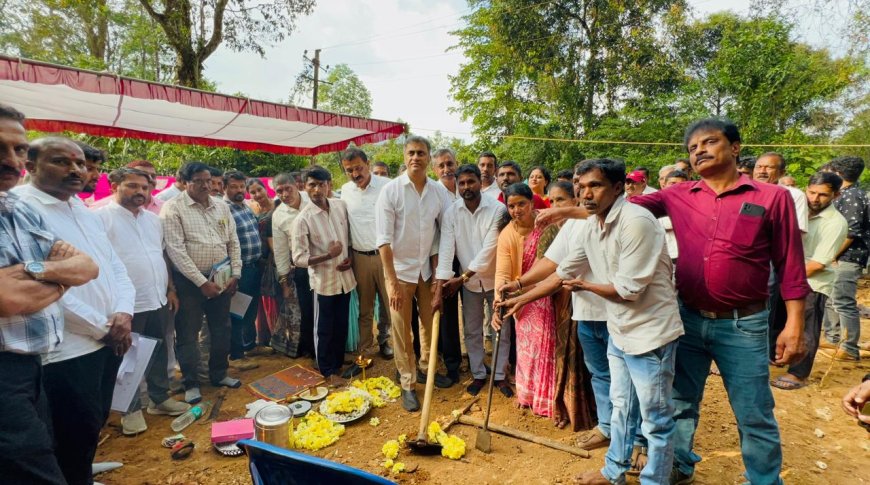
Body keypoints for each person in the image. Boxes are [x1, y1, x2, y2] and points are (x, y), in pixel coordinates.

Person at [630, 118, 810, 485]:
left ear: (736, 148)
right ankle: (679, 465)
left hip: (744, 324)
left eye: (709, 142)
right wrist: (564, 210)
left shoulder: (771, 197)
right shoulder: (676, 196)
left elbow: (790, 264)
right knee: (680, 402)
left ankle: (763, 479)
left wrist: (794, 324)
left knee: (753, 410)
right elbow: (620, 207)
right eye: (693, 148)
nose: (700, 151)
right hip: (688, 318)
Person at [550, 158, 683, 485]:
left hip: (650, 335)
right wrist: (518, 292)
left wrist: (585, 287)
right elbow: (564, 269)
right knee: (621, 408)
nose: (585, 193)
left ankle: (655, 479)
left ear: (619, 187)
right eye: (581, 186)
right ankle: (614, 472)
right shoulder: (593, 224)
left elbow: (629, 291)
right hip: (620, 330)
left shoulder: (636, 221)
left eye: (594, 185)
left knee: (655, 419)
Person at [15, 137, 136, 485]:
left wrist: (124, 313)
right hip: (67, 348)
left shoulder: (81, 208)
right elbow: (44, 286)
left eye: (80, 164)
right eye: (61, 162)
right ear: (32, 165)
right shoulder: (23, 209)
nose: (75, 170)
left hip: (108, 337)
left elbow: (113, 265)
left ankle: (80, 474)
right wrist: (103, 326)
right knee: (70, 430)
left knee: (93, 420)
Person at [0, 105, 99, 484]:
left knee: (61, 445)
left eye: (18, 149)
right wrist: (61, 279)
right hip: (11, 370)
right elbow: (9, 299)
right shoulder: (31, 203)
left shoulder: (17, 210)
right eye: (0, 148)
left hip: (32, 364)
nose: (11, 160)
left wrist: (33, 271)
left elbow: (88, 268)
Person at [96, 168, 190, 434]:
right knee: (126, 359)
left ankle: (159, 399)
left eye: (145, 188)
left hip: (156, 297)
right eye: (132, 186)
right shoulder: (100, 219)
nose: (140, 192)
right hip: (124, 305)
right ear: (114, 184)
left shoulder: (153, 220)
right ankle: (130, 410)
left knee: (158, 350)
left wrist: (170, 288)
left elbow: (162, 256)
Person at [375, 135, 453, 412]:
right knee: (401, 329)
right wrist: (393, 283)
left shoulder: (439, 192)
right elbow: (383, 240)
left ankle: (426, 369)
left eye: (421, 153)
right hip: (398, 271)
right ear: (405, 156)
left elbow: (446, 232)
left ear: (429, 158)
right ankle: (407, 383)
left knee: (429, 323)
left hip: (427, 270)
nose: (416, 157)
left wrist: (439, 277)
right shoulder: (391, 191)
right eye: (411, 152)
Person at [161, 162, 242, 404]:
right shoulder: (173, 208)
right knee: (187, 333)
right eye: (198, 180)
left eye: (208, 180)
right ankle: (191, 383)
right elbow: (175, 251)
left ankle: (219, 374)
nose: (206, 185)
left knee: (222, 328)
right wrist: (200, 282)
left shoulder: (220, 206)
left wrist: (235, 273)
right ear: (185, 182)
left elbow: (233, 242)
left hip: (222, 277)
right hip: (189, 283)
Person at [436, 164, 510, 396]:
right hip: (469, 285)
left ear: (480, 182)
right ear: (457, 186)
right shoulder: (452, 213)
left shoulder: (498, 209)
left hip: (497, 280)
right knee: (471, 330)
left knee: (501, 329)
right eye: (462, 183)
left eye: (471, 181)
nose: (467, 187)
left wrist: (463, 276)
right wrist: (442, 284)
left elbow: (490, 248)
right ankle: (478, 374)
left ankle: (499, 376)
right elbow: (447, 250)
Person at [770, 172, 847, 390]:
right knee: (779, 321)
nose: (815, 198)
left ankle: (799, 373)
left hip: (812, 282)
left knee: (806, 328)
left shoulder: (835, 223)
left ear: (836, 195)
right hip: (785, 277)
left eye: (823, 195)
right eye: (812, 192)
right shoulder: (798, 211)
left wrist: (785, 275)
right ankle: (778, 357)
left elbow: (818, 264)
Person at [492, 182, 559, 416]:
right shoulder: (507, 234)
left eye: (522, 204)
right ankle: (527, 394)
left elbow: (554, 262)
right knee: (525, 347)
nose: (517, 210)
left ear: (532, 203)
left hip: (550, 294)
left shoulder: (548, 224)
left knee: (546, 346)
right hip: (521, 299)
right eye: (511, 206)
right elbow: (502, 273)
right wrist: (498, 302)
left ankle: (547, 399)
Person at [291, 166, 357, 385]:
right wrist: (328, 256)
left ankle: (338, 364)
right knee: (324, 329)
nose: (317, 190)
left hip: (345, 280)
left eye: (321, 184)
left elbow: (348, 238)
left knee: (341, 325)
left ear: (329, 185)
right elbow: (298, 259)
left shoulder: (340, 206)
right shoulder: (303, 219)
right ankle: (327, 371)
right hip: (324, 283)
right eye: (312, 185)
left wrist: (349, 258)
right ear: (304, 187)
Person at [339, 148, 393, 361]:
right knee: (365, 307)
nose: (355, 174)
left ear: (368, 164)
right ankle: (364, 352)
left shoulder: (387, 186)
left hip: (386, 256)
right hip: (360, 257)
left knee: (390, 306)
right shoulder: (345, 190)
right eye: (349, 170)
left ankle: (384, 340)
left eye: (359, 168)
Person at [820, 156, 870, 362]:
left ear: (838, 173)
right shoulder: (847, 194)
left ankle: (849, 347)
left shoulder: (852, 197)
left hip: (847, 257)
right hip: (839, 256)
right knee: (832, 299)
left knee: (843, 301)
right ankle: (834, 339)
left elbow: (851, 232)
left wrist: (832, 254)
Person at [223, 171, 263, 371]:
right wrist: (234, 273)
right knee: (237, 313)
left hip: (254, 267)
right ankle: (237, 355)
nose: (239, 190)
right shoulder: (224, 210)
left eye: (241, 186)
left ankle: (249, 346)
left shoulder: (245, 207)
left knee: (250, 310)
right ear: (225, 188)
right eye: (234, 187)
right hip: (239, 270)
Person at [431, 148, 462, 385]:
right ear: (434, 169)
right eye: (441, 165)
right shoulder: (433, 192)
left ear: (456, 163)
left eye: (449, 164)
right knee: (448, 315)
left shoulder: (466, 187)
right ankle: (451, 364)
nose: (446, 169)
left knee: (470, 312)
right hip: (445, 259)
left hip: (469, 258)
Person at [270, 173, 310, 356]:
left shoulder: (313, 199)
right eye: (279, 191)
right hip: (302, 268)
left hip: (327, 264)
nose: (285, 194)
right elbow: (280, 251)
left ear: (297, 186)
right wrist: (284, 282)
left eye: (288, 189)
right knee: (305, 310)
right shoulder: (278, 216)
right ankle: (310, 349)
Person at [247, 178, 279, 351]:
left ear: (266, 189)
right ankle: (264, 336)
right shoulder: (251, 211)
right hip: (259, 261)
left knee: (276, 296)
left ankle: (278, 335)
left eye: (259, 189)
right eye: (253, 192)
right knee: (261, 299)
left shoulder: (278, 205)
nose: (257, 194)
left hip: (275, 258)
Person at [753, 152, 808, 232]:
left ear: (782, 173)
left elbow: (797, 230)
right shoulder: (744, 191)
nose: (762, 171)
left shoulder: (794, 195)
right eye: (758, 167)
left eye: (769, 167)